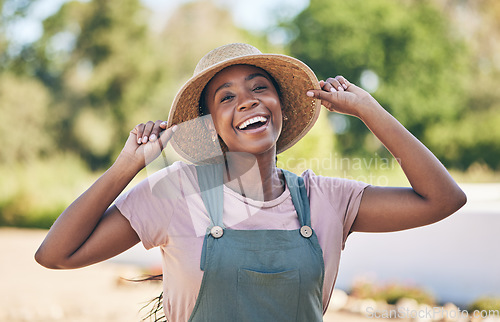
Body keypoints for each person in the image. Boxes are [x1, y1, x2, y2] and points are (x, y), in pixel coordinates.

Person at [35, 43, 466, 321]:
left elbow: (443, 199)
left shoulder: (325, 199)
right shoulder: (176, 191)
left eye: (260, 87)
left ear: (280, 104)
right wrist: (123, 169)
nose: (248, 100)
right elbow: (55, 255)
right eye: (226, 97)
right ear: (209, 126)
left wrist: (371, 110)